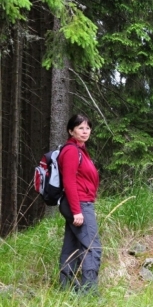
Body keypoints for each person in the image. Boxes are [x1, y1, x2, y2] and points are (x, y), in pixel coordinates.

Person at [58, 113, 101, 295]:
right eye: (80, 128)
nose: (85, 131)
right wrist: (77, 211)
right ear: (71, 131)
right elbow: (69, 182)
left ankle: (66, 289)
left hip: (81, 203)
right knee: (92, 247)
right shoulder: (71, 151)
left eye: (87, 128)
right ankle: (89, 292)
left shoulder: (81, 151)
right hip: (78, 204)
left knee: (72, 246)